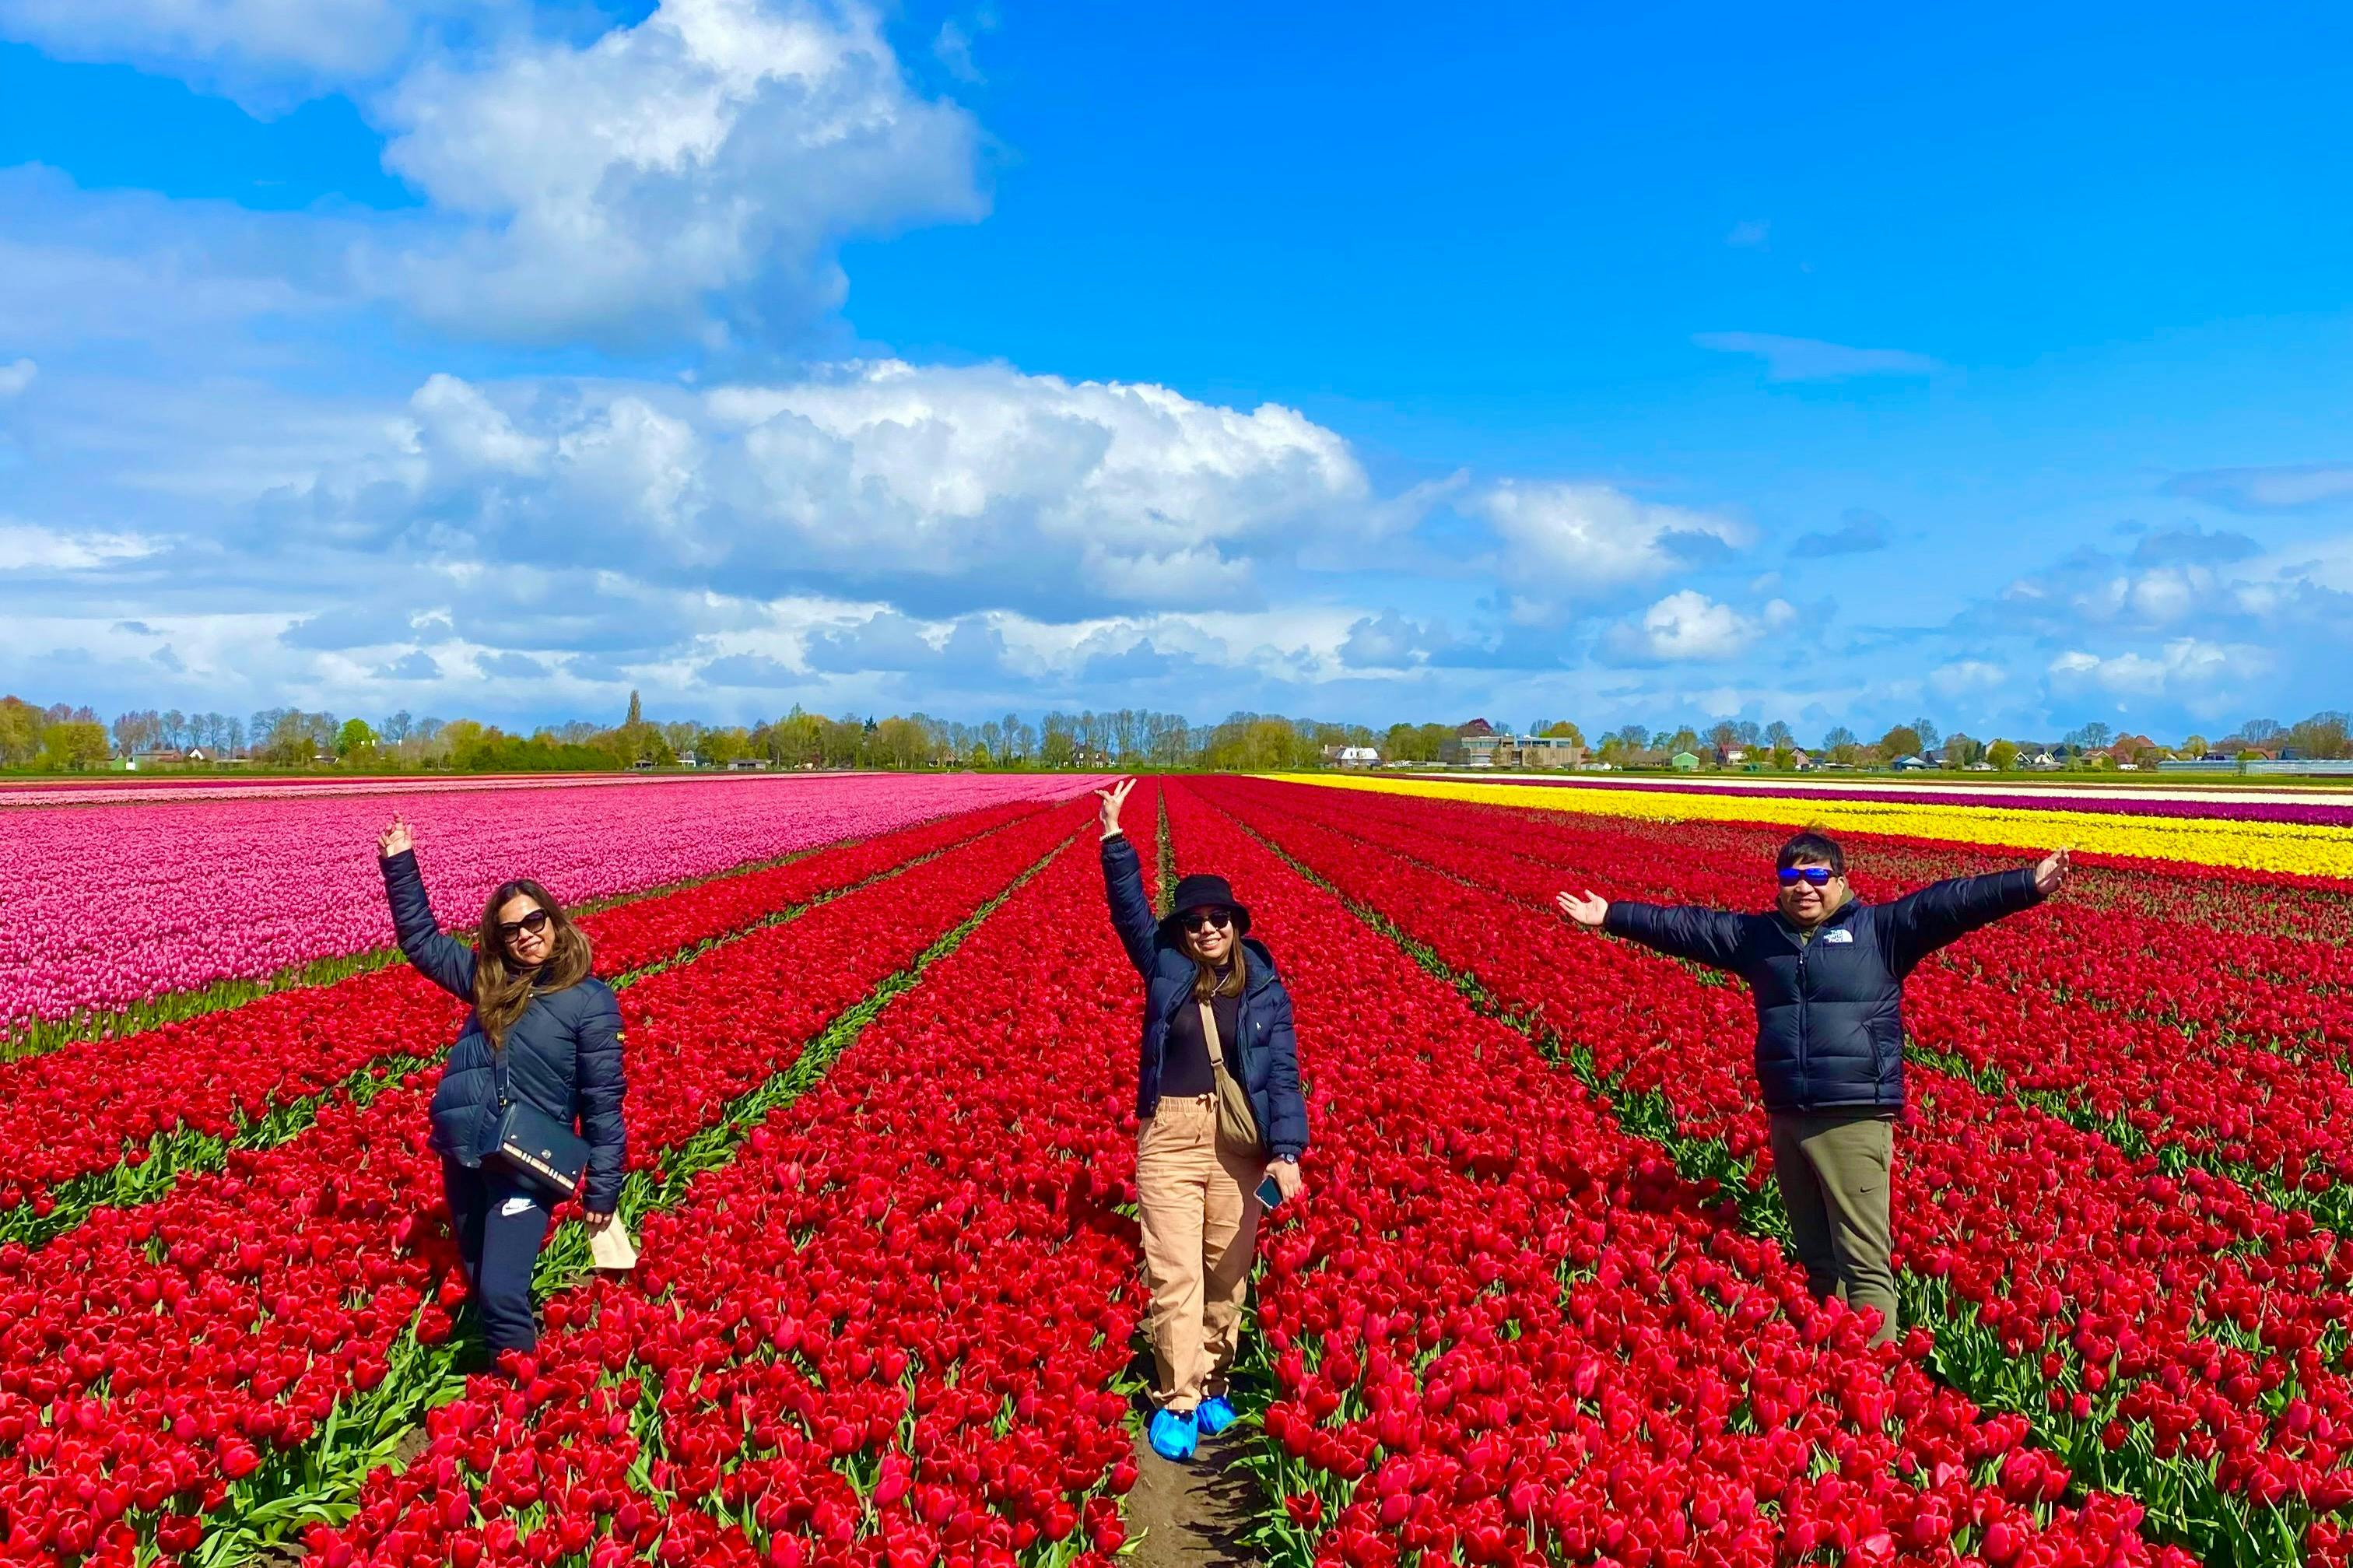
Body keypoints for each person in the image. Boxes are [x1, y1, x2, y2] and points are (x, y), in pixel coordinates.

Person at [1555, 830, 2069, 1345]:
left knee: (1864, 1263)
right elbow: (1687, 926)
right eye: (1792, 876)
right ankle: (1833, 1371)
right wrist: (1613, 914)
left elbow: (1950, 903)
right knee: (1819, 1263)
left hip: (1852, 1116)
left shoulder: (1879, 930)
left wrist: (2027, 884)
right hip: (1788, 1115)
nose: (1804, 887)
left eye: (1817, 876)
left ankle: (1878, 1380)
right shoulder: (1760, 940)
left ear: (1841, 880)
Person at [1097, 778, 1308, 1461]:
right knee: (1176, 1271)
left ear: (1237, 924)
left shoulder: (1267, 988)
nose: (1208, 928)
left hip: (1239, 1144)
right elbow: (1130, 915)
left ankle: (1214, 1379)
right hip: (1171, 1134)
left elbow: (1282, 1074)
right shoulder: (1164, 969)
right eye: (1195, 920)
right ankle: (1179, 1397)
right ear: (1181, 931)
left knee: (1226, 1269)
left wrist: (1288, 1150)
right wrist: (1114, 841)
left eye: (1219, 917)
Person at [376, 814, 626, 1363]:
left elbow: (603, 1103)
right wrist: (400, 862)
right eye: (512, 929)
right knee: (477, 1271)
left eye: (535, 920)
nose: (527, 934)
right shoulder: (489, 984)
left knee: (501, 1289)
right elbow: (420, 942)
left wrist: (603, 1188)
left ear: (555, 922)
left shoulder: (589, 1000)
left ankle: (519, 1400)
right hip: (466, 1154)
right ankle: (497, 1373)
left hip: (526, 1163)